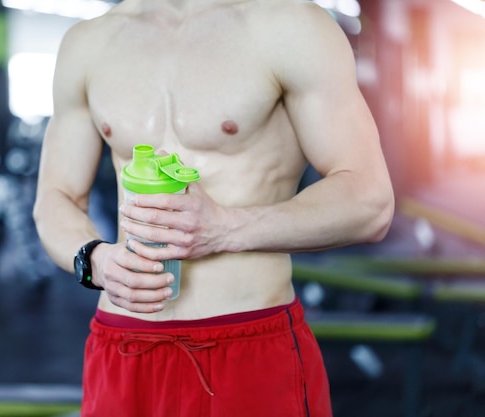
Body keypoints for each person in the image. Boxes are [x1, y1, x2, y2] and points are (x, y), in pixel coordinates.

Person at [33, 0, 395, 416]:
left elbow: (370, 201)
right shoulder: (88, 44)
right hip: (123, 344)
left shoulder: (291, 26)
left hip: (246, 343)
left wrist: (226, 228)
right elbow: (54, 197)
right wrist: (93, 259)